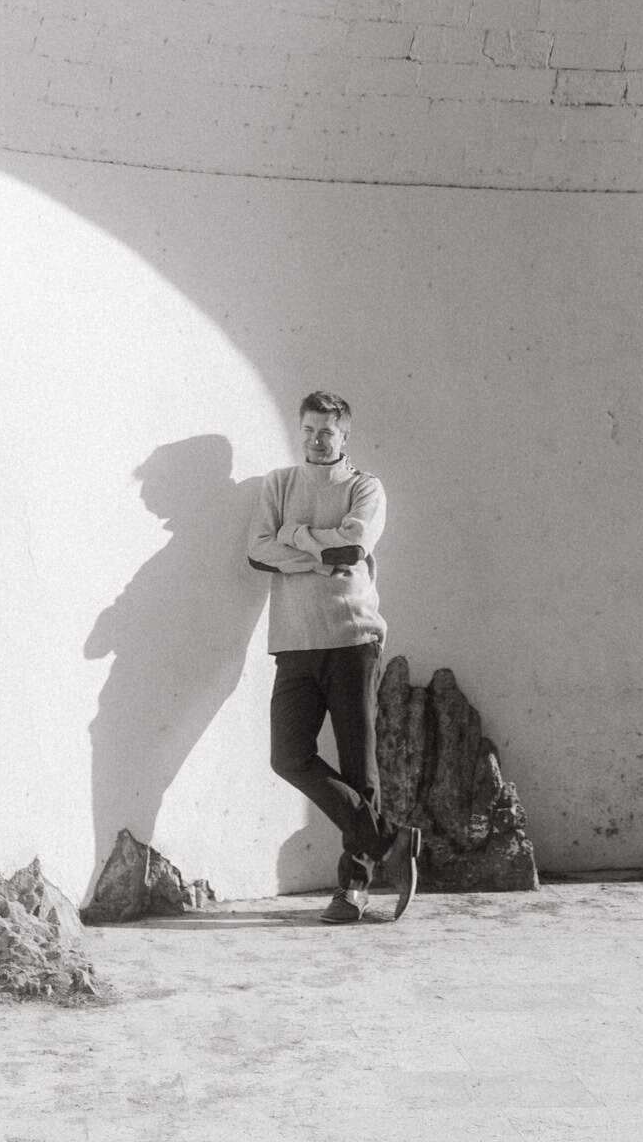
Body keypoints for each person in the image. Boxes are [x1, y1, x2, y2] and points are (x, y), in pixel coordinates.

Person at [248, 389, 421, 925]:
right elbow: (257, 552)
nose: (315, 440)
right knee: (288, 755)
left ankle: (353, 891)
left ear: (345, 436)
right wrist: (321, 557)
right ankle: (390, 838)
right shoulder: (279, 484)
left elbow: (352, 549)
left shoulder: (365, 487)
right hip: (294, 642)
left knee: (357, 765)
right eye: (307, 429)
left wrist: (295, 537)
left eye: (326, 431)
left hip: (353, 640)